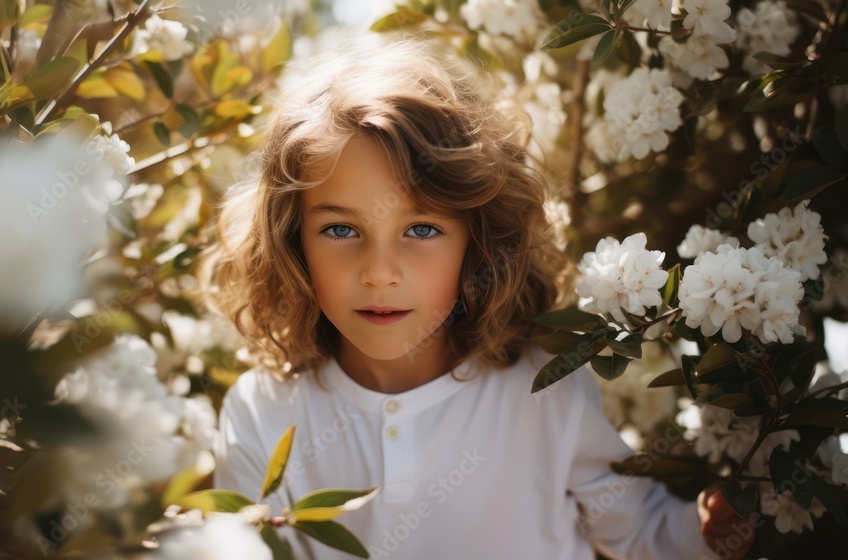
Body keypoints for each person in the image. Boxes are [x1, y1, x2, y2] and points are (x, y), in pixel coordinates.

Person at [195, 32, 754, 560]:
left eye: (421, 229)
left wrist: (711, 530)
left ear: (478, 240)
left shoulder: (543, 390)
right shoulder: (263, 412)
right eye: (340, 229)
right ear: (292, 242)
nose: (380, 273)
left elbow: (640, 531)